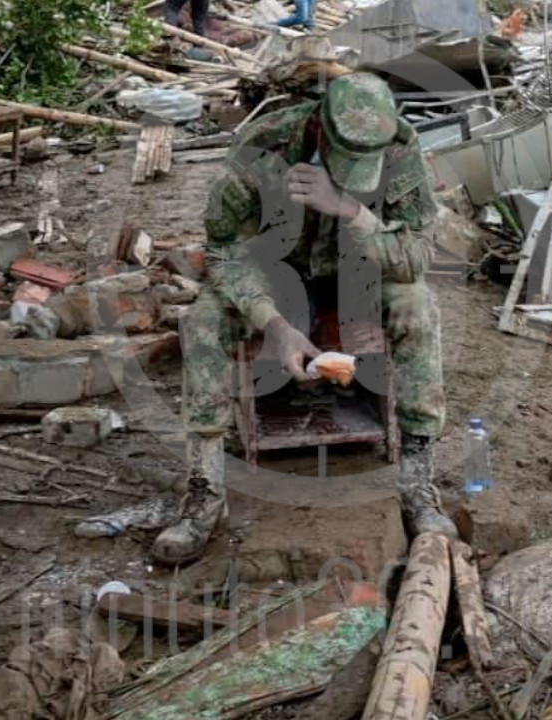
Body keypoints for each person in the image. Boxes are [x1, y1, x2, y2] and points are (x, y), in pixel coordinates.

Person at [152, 72, 457, 564]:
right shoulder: (263, 144)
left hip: (359, 267)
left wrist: (349, 209)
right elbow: (225, 249)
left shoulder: (399, 146)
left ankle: (418, 483)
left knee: (418, 306)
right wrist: (274, 324)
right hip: (276, 270)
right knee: (202, 322)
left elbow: (415, 255)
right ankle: (204, 492)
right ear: (318, 127)